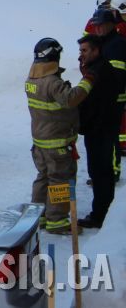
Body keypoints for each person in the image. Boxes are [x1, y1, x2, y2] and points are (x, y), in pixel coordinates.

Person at [26, 38, 92, 235]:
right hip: (57, 144)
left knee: (43, 178)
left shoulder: (31, 81)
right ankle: (57, 221)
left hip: (40, 143)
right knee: (60, 181)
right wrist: (88, 81)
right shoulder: (53, 83)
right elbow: (71, 99)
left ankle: (40, 216)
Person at [77, 32, 123, 229]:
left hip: (100, 130)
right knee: (98, 173)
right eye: (80, 50)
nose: (81, 54)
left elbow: (95, 103)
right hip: (97, 129)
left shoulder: (99, 71)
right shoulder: (97, 68)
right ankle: (102, 213)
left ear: (96, 51)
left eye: (85, 50)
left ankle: (100, 216)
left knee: (101, 174)